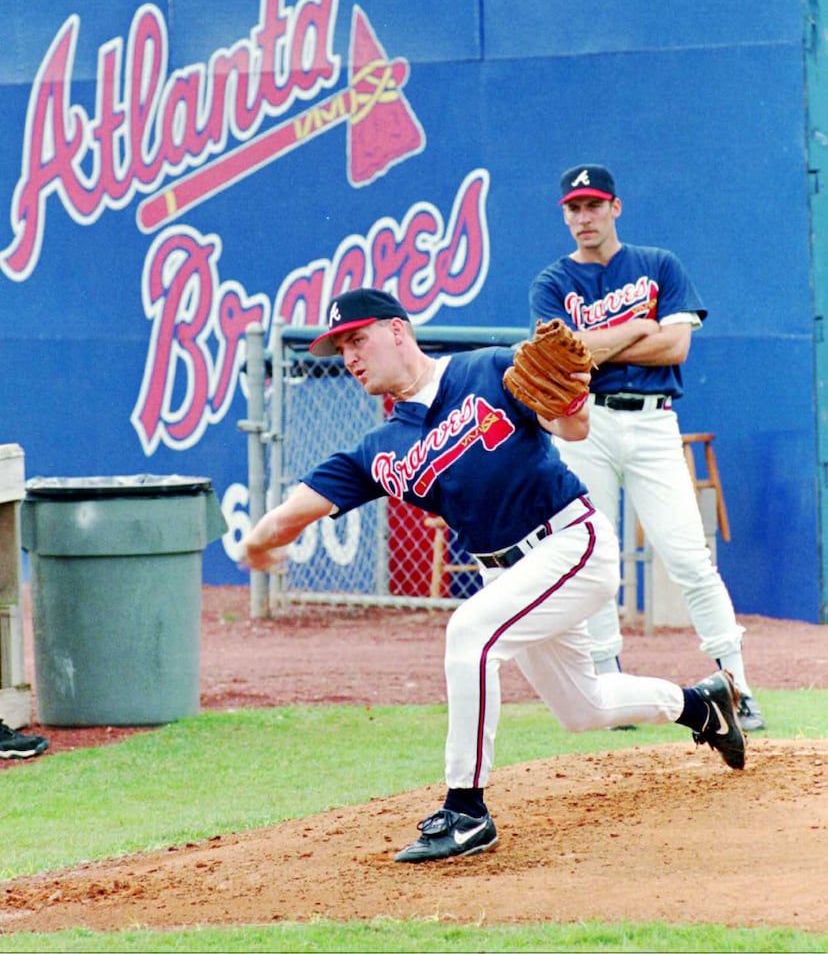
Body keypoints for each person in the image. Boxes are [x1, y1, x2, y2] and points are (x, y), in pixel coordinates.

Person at [241, 287, 746, 864]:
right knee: (584, 710)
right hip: (506, 578)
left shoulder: (492, 367)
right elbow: (291, 513)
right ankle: (702, 705)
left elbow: (574, 430)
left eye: (358, 339)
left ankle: (466, 810)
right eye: (340, 348)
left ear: (398, 331)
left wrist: (573, 406)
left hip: (569, 543)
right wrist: (258, 541)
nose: (350, 357)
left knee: (470, 634)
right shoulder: (377, 451)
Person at [529, 163, 764, 732]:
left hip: (654, 422)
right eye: (573, 208)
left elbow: (676, 346)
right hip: (585, 423)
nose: (584, 217)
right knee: (594, 559)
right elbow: (571, 354)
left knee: (687, 555)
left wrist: (606, 342)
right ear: (565, 215)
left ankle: (737, 685)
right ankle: (610, 686)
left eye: (593, 205)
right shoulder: (552, 282)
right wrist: (639, 327)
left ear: (616, 207)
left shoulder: (659, 264)